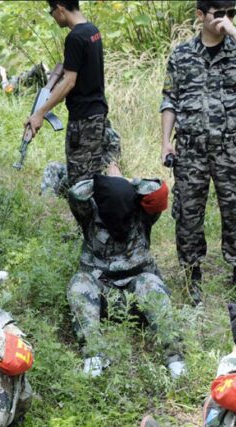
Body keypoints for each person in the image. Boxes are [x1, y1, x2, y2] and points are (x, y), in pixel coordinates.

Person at [66, 174, 185, 378]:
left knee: (151, 284)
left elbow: (159, 191)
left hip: (138, 295)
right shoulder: (89, 214)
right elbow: (76, 193)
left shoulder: (142, 213)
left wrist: (129, 184)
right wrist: (103, 183)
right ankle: (94, 356)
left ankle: (175, 359)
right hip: (100, 295)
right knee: (78, 284)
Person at [160, 0, 236, 297]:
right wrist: (166, 141)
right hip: (191, 150)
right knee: (189, 214)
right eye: (219, 15)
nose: (225, 20)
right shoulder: (182, 55)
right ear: (200, 15)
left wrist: (232, 31)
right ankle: (192, 275)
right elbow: (170, 99)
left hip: (230, 147)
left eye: (232, 14)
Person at [25, 0, 120, 188]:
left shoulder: (75, 38)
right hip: (98, 114)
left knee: (80, 186)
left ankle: (90, 217)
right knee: (93, 177)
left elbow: (69, 81)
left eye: (51, 11)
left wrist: (40, 113)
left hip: (83, 121)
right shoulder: (93, 31)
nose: (52, 15)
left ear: (61, 8)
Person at [40, 124, 122, 197]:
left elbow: (110, 164)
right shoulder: (81, 130)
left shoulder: (111, 136)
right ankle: (48, 197)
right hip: (78, 172)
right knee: (53, 167)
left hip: (96, 177)